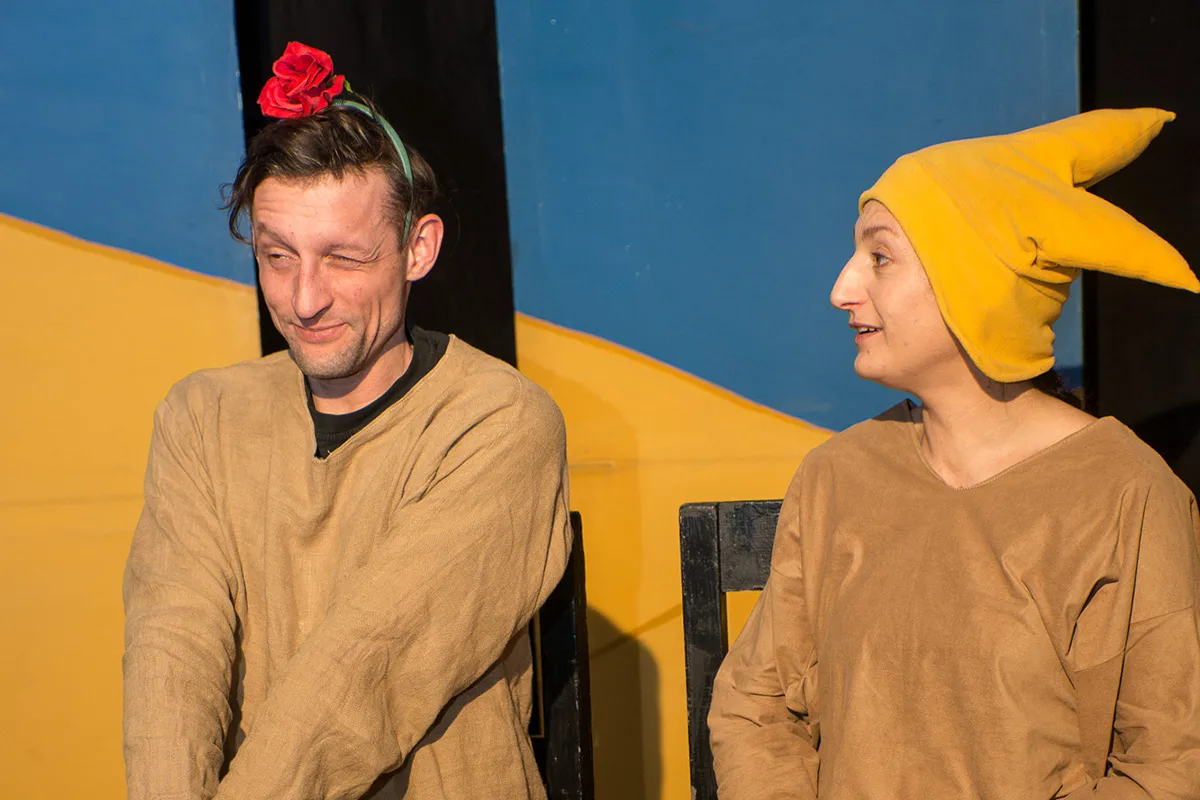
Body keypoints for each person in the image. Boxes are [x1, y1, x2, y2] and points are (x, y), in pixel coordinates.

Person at [122, 42, 571, 800]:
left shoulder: (497, 421)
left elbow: (368, 664)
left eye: (343, 258)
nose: (303, 299)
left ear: (416, 249)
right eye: (277, 256)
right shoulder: (203, 416)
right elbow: (173, 653)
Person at [708, 108, 1200, 798]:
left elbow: (1170, 765)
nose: (842, 289)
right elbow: (753, 706)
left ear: (978, 281)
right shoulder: (837, 476)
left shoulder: (1126, 494)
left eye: (880, 257)